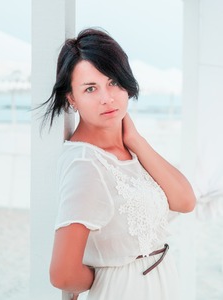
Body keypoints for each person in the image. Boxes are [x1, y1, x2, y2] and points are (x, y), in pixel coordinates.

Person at [39, 28, 196, 300]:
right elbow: (62, 273)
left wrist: (136, 140)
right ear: (72, 98)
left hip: (161, 283)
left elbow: (185, 201)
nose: (107, 98)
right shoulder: (85, 163)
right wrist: (107, 279)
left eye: (113, 82)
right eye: (90, 88)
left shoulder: (128, 147)